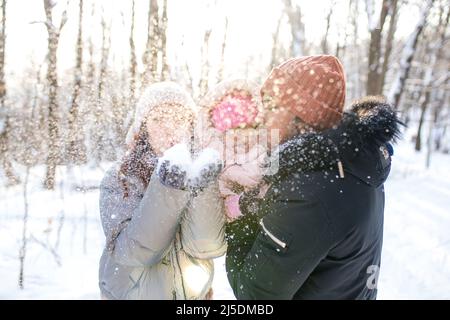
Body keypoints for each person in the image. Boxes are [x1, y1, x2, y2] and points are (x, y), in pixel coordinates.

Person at [225, 55, 403, 299]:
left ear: (304, 117)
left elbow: (255, 294)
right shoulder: (353, 162)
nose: (261, 114)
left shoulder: (312, 190)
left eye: (271, 104)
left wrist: (239, 220)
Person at [98, 82, 226, 300]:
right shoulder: (122, 177)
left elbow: (207, 247)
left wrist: (204, 187)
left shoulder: (201, 168)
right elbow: (134, 251)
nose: (169, 128)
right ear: (143, 128)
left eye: (178, 119)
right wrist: (168, 185)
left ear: (191, 127)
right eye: (158, 119)